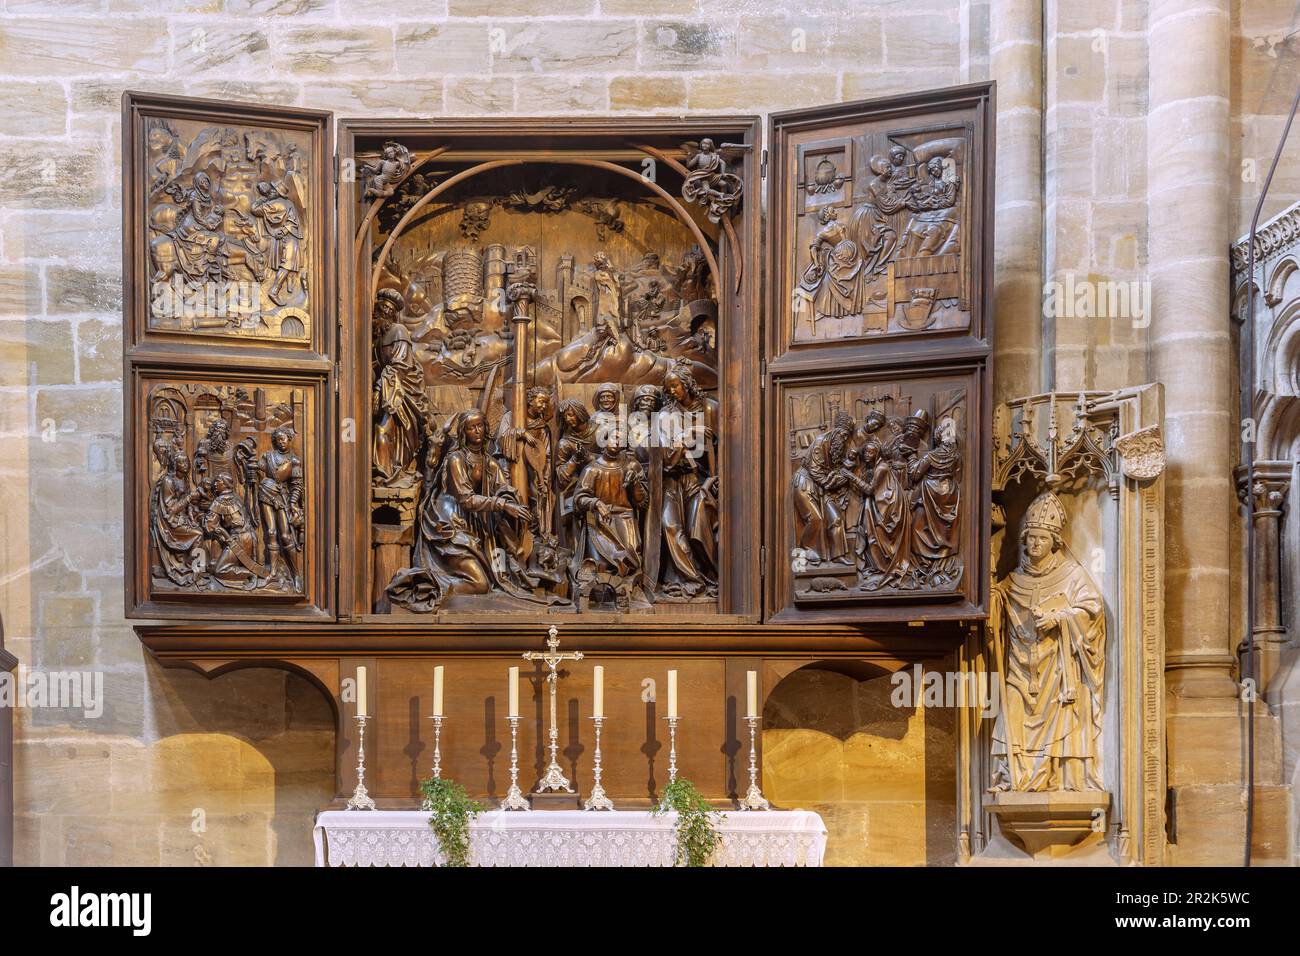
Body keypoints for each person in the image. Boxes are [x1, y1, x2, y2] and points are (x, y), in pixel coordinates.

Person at [989, 491, 1106, 792]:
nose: (1035, 544)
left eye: (1042, 538)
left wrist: (1062, 617)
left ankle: (1059, 780)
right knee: (1010, 709)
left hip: (1058, 672)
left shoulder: (1073, 575)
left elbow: (1092, 611)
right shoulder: (1013, 581)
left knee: (1060, 718)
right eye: (1030, 538)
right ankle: (1009, 778)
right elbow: (992, 605)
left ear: (1054, 540)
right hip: (1019, 670)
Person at [372, 289, 430, 486]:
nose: (385, 312)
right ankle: (385, 473)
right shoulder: (377, 335)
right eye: (382, 307)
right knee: (381, 432)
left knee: (383, 431)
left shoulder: (399, 331)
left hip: (402, 392)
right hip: (389, 388)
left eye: (390, 309)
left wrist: (379, 388)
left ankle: (387, 475)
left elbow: (400, 366)